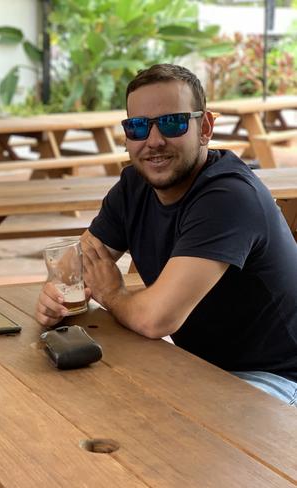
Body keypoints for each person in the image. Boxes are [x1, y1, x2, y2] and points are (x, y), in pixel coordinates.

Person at [36, 64, 297, 405]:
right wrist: (55, 299)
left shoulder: (228, 197)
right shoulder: (134, 186)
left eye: (172, 123)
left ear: (205, 128)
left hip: (275, 377)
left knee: (160, 436)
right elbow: (75, 269)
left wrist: (113, 294)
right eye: (139, 127)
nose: (154, 141)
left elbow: (155, 319)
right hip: (202, 368)